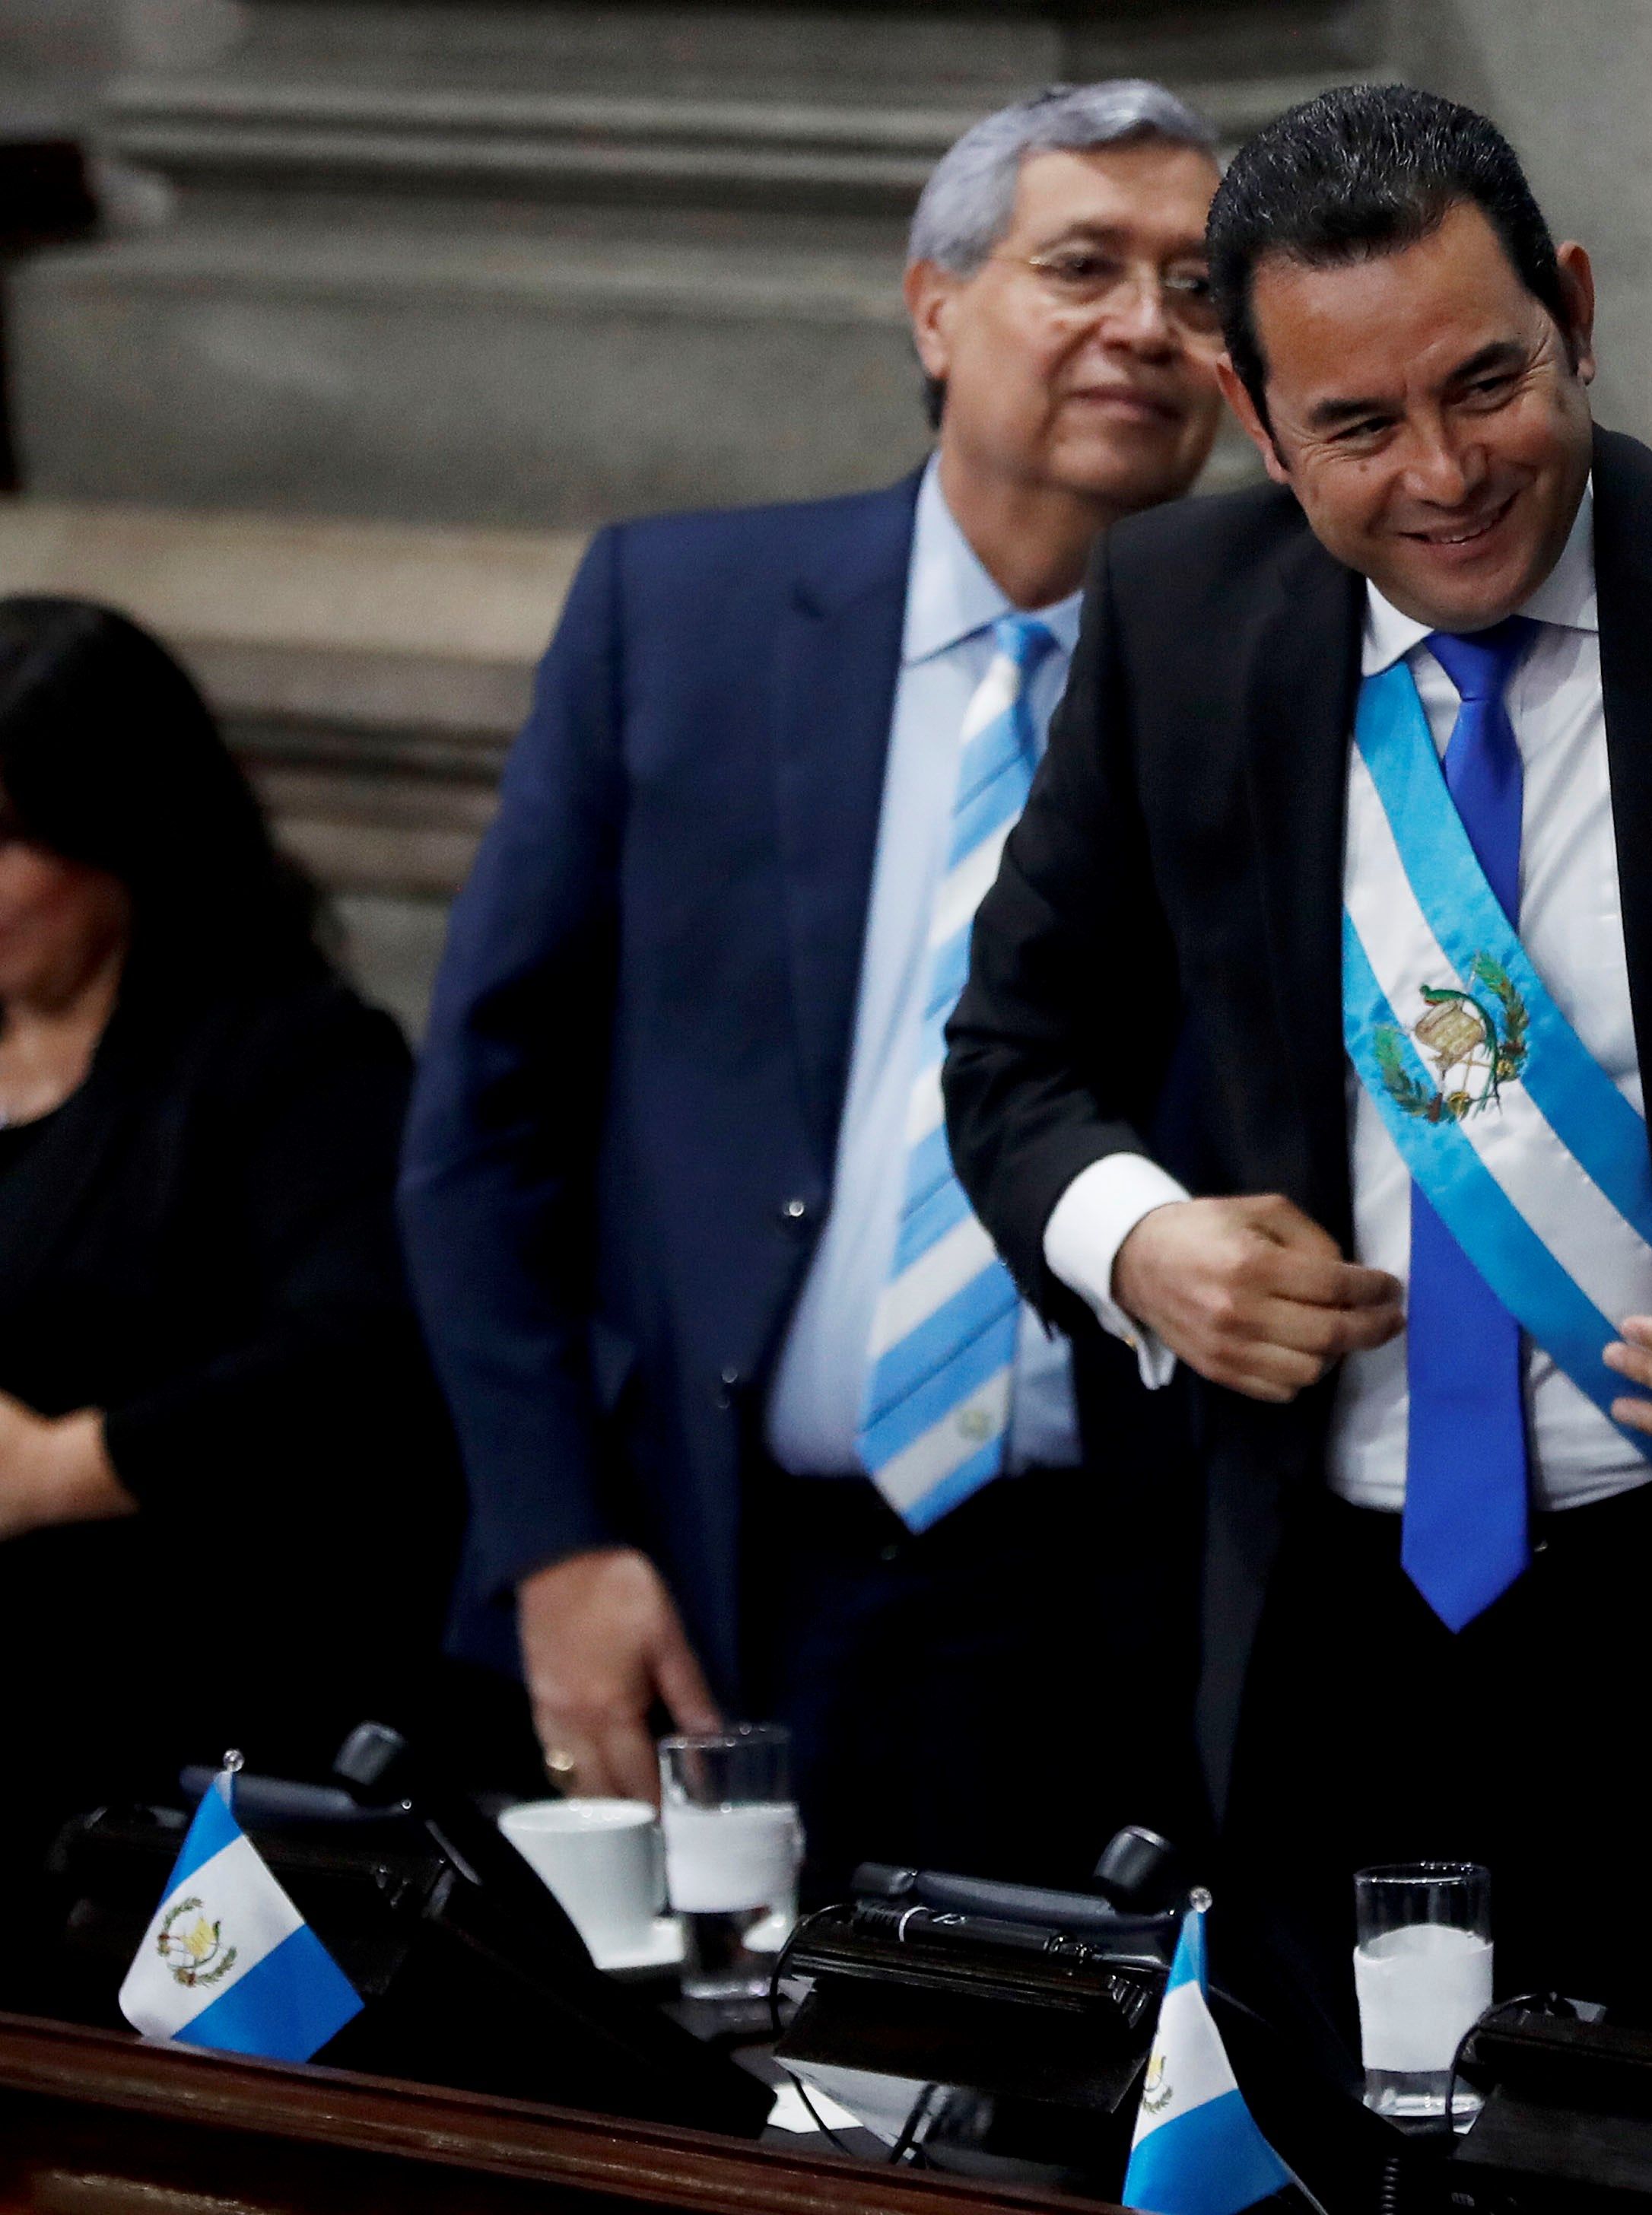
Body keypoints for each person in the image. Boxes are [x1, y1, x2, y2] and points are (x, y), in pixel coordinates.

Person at [944, 84, 1652, 2045]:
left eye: (1487, 382)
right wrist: (1142, 1242)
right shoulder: (1181, 620)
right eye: (1356, 425)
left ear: (1573, 311)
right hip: (1328, 1635)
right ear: (1254, 420)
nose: (1443, 473)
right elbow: (1014, 1052)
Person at [399, 82, 1229, 1894]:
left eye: (1198, 286)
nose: (1146, 326)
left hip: (1109, 1598)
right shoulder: (679, 619)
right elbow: (483, 1126)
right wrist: (554, 1543)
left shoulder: (1282, 673)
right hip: (714, 1573)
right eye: (1083, 265)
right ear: (934, 307)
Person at [0, 596, 461, 1912]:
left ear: (121, 835)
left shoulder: (291, 1059)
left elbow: (360, 1355)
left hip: (175, 1733)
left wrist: (57, 1469)